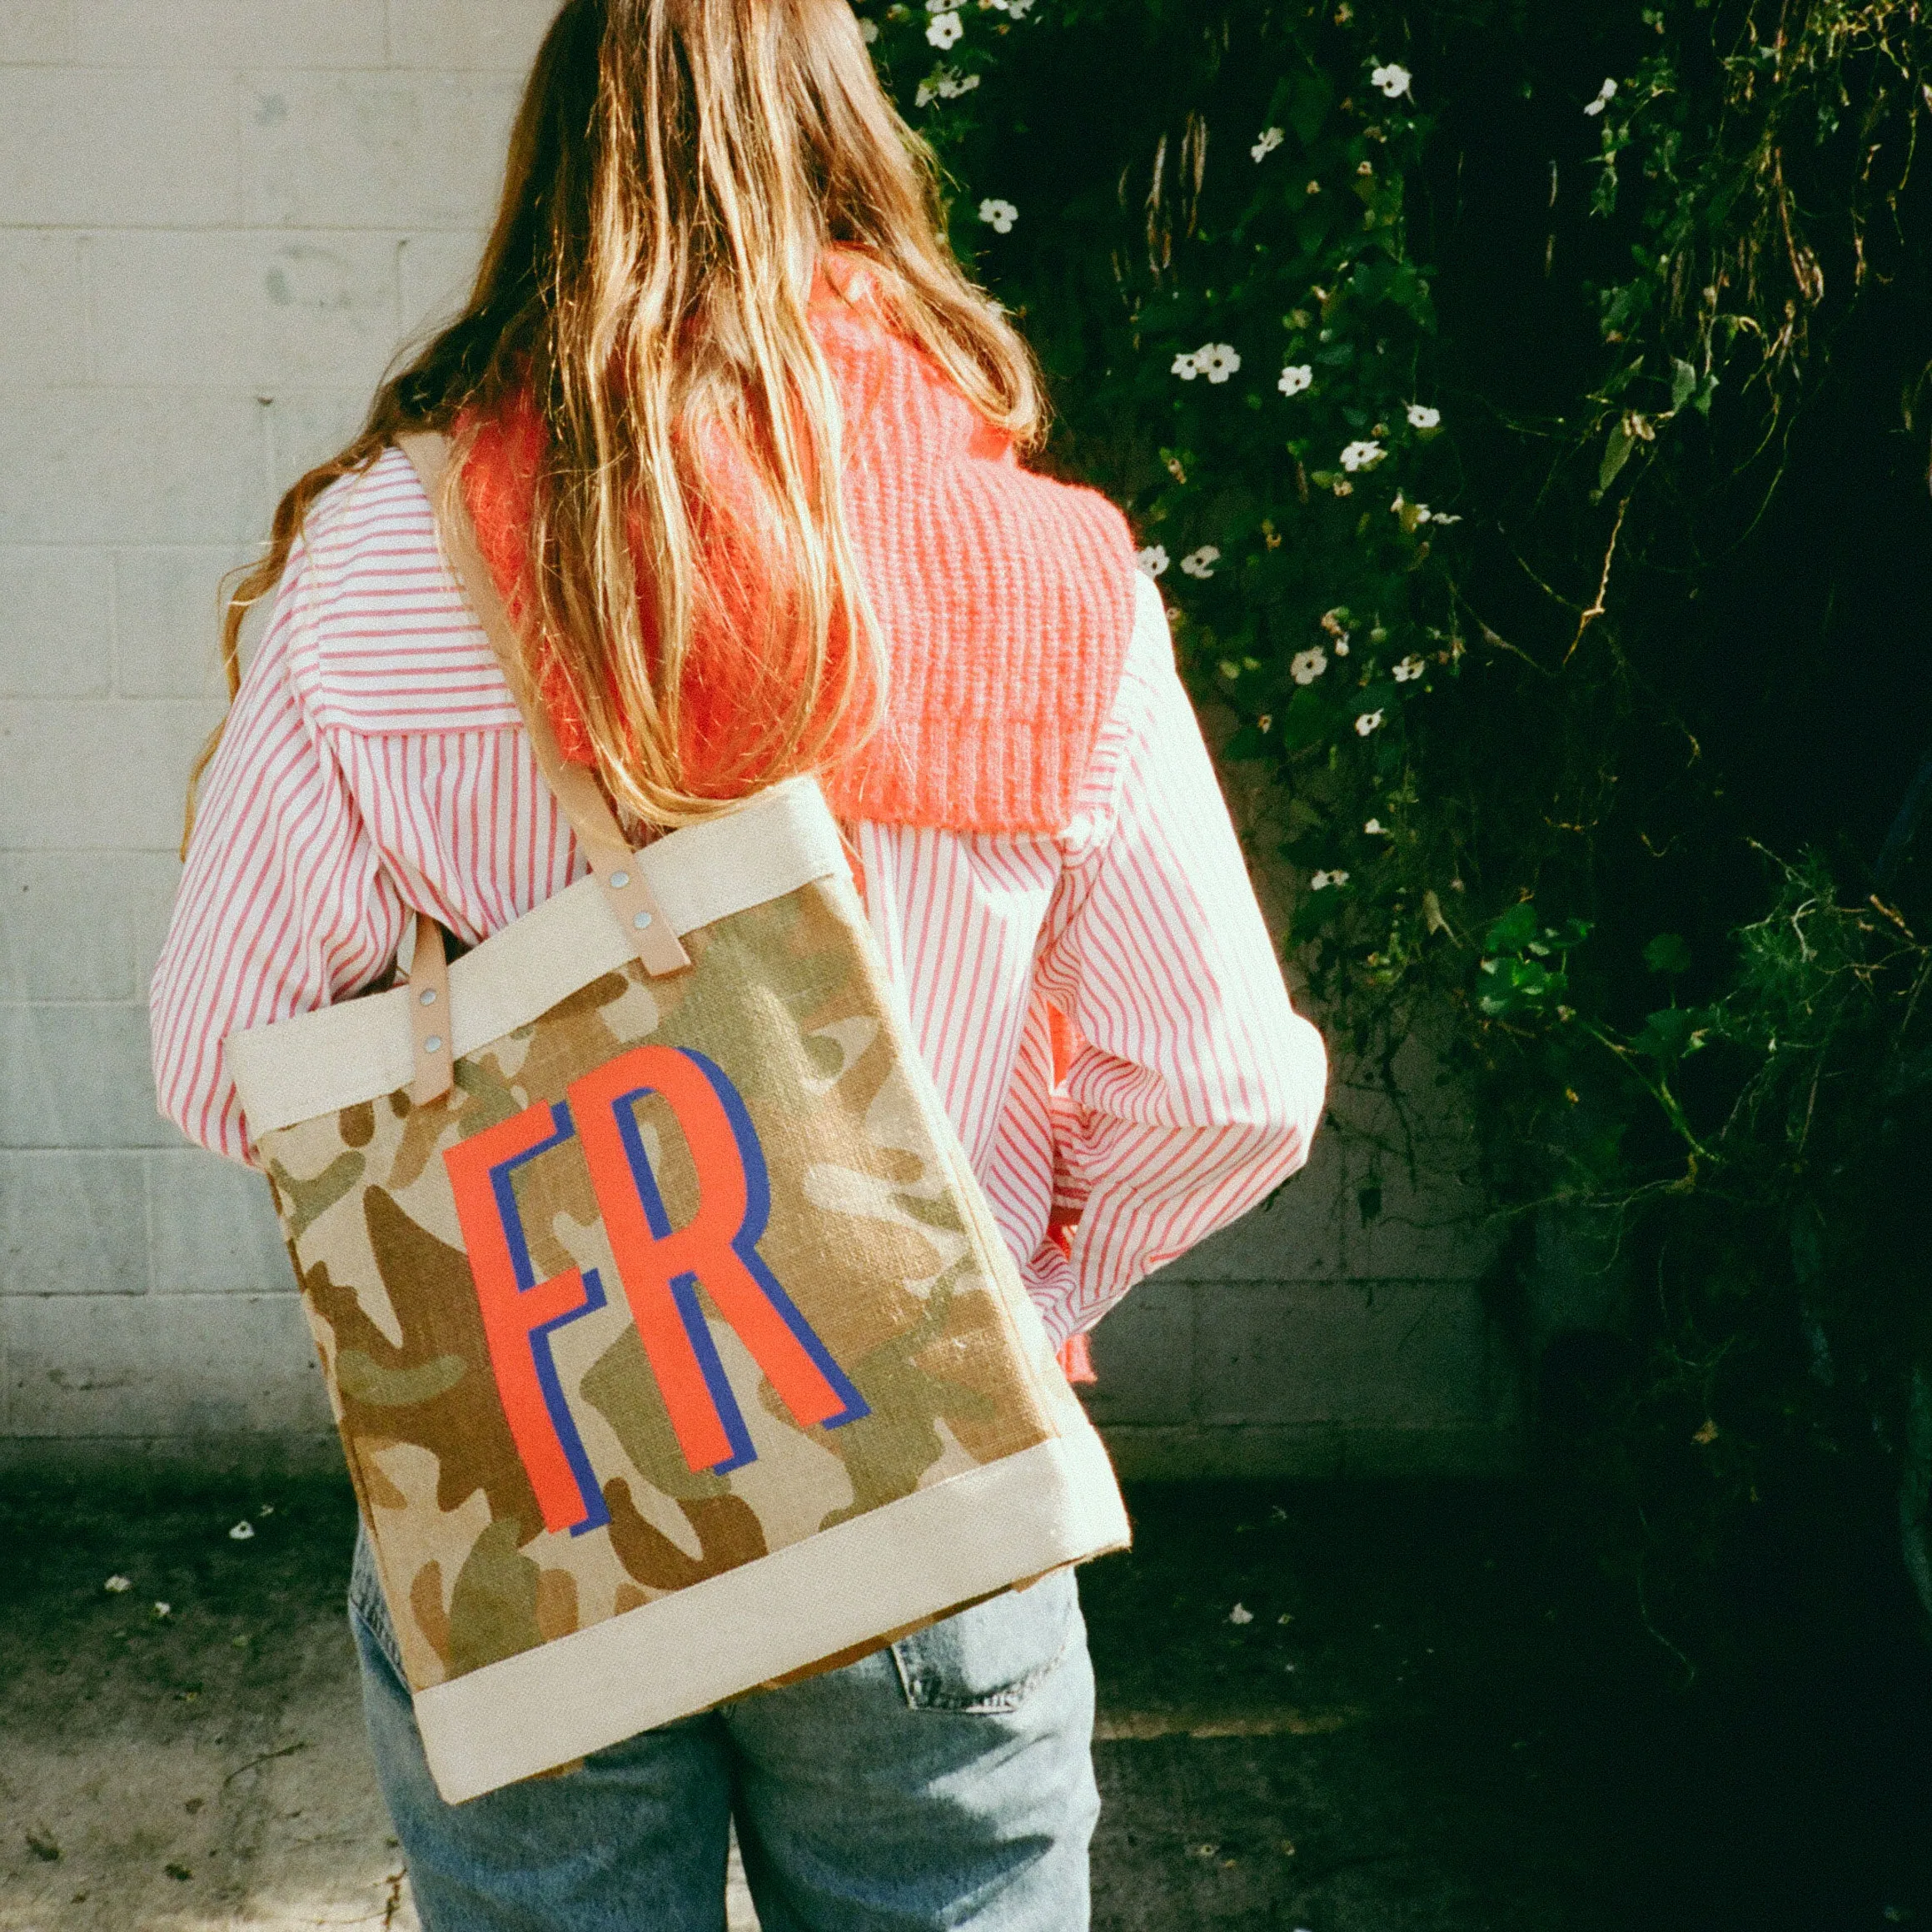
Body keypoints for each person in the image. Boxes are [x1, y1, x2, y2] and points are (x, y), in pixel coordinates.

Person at [149, 1, 1327, 1925]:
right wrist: (1013, 1302)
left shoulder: (382, 564)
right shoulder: (1046, 570)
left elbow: (219, 1066)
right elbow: (1224, 1090)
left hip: (531, 1476)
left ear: (555, 191)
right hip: (919, 1491)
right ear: (857, 163)